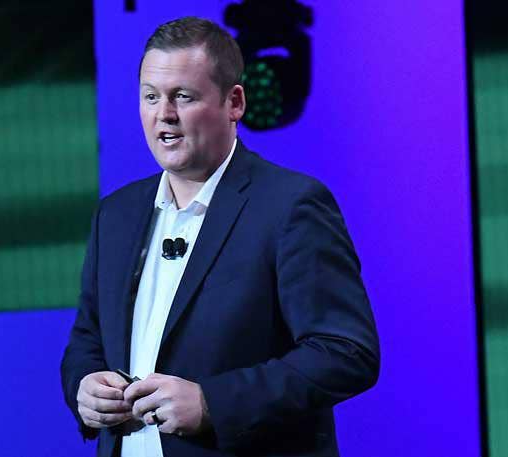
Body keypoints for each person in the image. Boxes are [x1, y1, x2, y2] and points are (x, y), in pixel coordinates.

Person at [61, 16, 380, 457]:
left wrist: (212, 403)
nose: (163, 114)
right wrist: (84, 386)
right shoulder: (115, 215)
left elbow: (345, 351)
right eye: (151, 96)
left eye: (183, 97)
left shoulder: (290, 207)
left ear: (235, 103)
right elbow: (88, 337)